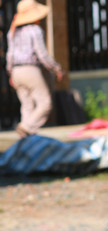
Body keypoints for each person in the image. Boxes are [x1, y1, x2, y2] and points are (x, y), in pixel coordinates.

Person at [5, 0, 64, 138]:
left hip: (15, 71)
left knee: (27, 105)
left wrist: (10, 74)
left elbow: (10, 54)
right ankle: (25, 127)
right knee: (45, 102)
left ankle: (25, 139)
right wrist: (56, 69)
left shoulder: (12, 32)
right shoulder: (34, 30)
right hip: (30, 69)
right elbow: (42, 55)